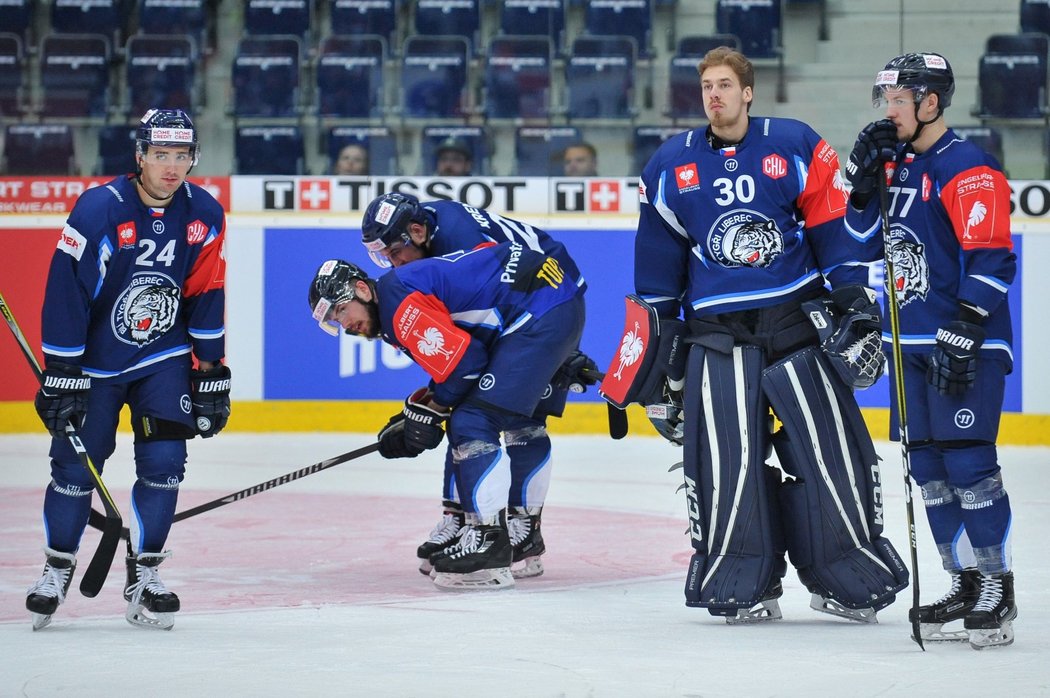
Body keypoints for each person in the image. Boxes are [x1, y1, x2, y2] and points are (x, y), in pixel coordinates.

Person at [601, 46, 909, 623]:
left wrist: (851, 298)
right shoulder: (670, 164)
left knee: (829, 454)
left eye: (724, 85)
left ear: (747, 92)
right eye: (705, 87)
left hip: (795, 323)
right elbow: (658, 267)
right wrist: (663, 359)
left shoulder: (792, 143)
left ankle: (848, 577)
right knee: (726, 465)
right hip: (716, 335)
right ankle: (742, 581)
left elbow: (830, 225)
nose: (713, 95)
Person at [25, 108, 231, 630]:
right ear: (139, 156)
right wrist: (61, 368)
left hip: (161, 357)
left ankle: (146, 573)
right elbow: (66, 290)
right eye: (160, 155)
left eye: (181, 156)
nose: (171, 167)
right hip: (95, 364)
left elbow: (206, 288)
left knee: (165, 461)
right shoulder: (98, 210)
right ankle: (56, 568)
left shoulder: (204, 213)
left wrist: (210, 368)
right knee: (75, 467)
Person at [844, 53, 1017, 649]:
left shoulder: (969, 168)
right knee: (929, 471)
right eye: (886, 100)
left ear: (931, 103)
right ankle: (963, 580)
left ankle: (997, 586)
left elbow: (993, 254)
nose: (888, 112)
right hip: (907, 343)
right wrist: (862, 187)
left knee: (969, 464)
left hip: (963, 342)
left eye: (898, 101)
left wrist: (967, 323)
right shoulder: (895, 169)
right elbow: (863, 245)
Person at [308, 241, 587, 590]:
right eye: (335, 321)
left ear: (363, 289)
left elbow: (466, 365)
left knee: (472, 421)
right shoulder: (397, 294)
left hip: (541, 312)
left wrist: (428, 413)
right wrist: (422, 409)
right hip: (548, 303)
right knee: (516, 421)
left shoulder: (399, 307)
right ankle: (521, 536)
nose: (345, 325)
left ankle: (487, 543)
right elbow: (460, 364)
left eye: (340, 312)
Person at [359, 191, 593, 580]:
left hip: (543, 294)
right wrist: (437, 400)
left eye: (394, 252)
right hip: (537, 301)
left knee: (494, 415)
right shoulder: (427, 239)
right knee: (480, 407)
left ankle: (506, 528)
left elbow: (490, 312)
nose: (393, 264)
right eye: (382, 259)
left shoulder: (460, 239)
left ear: (417, 231)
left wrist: (560, 354)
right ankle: (470, 519)